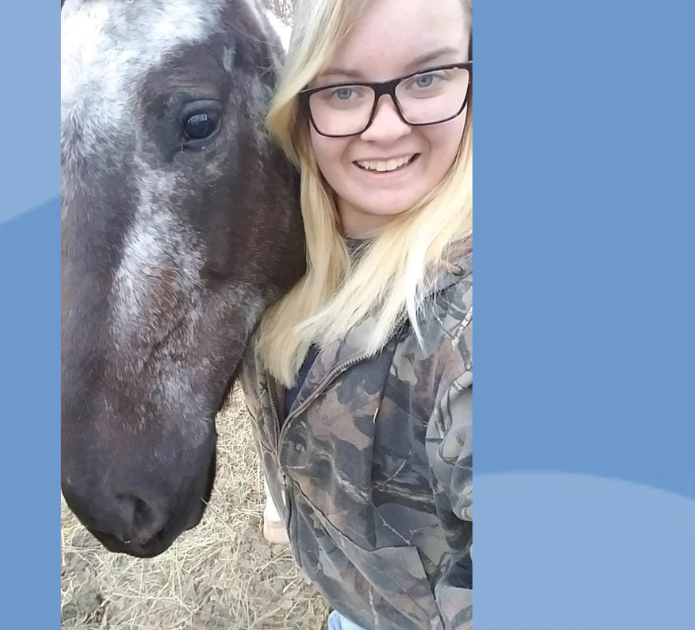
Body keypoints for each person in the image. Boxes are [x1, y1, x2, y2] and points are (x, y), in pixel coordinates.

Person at [240, 0, 473, 628]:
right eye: (344, 89)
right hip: (358, 601)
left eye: (427, 78)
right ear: (301, 105)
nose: (386, 129)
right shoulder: (277, 235)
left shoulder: (467, 336)